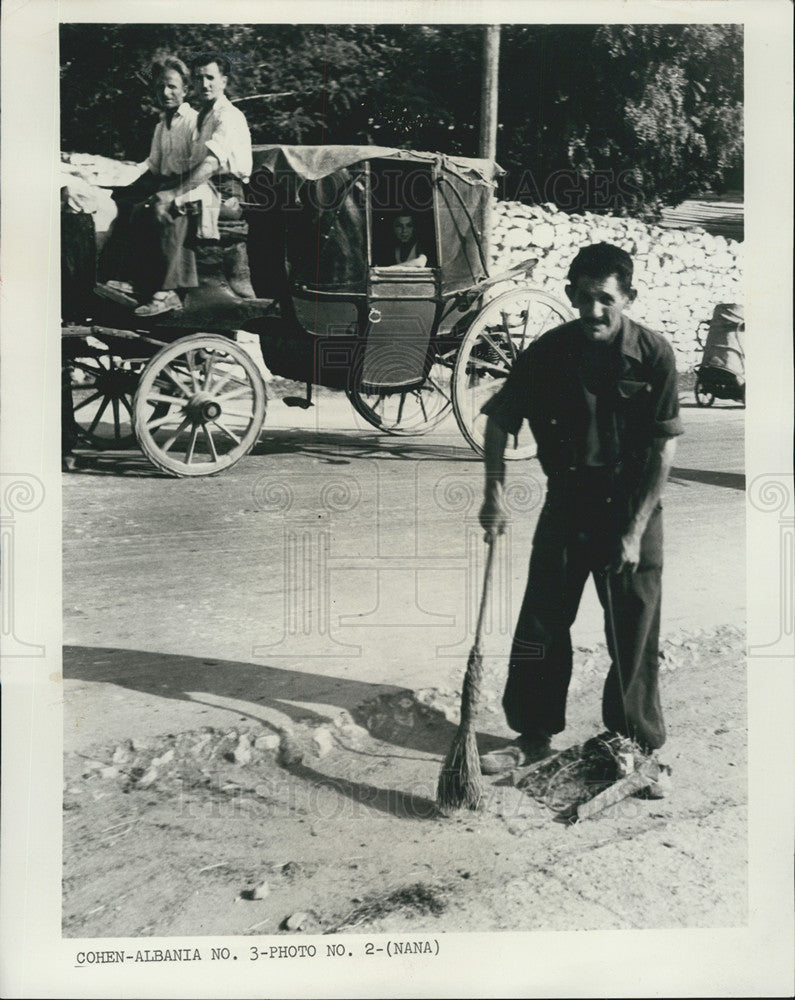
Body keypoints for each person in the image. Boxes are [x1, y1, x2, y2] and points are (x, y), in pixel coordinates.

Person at [477, 243, 683, 776]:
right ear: (569, 294)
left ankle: (633, 744)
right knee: (542, 623)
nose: (593, 311)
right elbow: (499, 420)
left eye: (605, 299)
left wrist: (634, 532)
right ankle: (533, 734)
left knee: (633, 634)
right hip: (568, 504)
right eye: (583, 297)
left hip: (633, 506)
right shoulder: (548, 352)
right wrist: (493, 492)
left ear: (627, 297)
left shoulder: (655, 354)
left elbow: (664, 449)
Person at [131, 52, 253, 317]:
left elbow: (209, 165)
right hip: (208, 186)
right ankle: (141, 280)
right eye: (199, 79)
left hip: (228, 193)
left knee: (171, 205)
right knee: (147, 204)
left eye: (210, 78)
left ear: (224, 81)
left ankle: (170, 291)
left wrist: (174, 192)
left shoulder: (228, 116)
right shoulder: (203, 117)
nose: (204, 85)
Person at [98, 57, 198, 303]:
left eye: (172, 86)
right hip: (163, 181)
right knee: (122, 203)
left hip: (188, 184)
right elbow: (153, 164)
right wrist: (121, 180)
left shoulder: (194, 121)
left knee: (155, 210)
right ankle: (122, 276)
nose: (165, 92)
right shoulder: (161, 126)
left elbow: (199, 166)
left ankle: (166, 287)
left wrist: (174, 192)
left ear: (185, 89)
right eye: (160, 87)